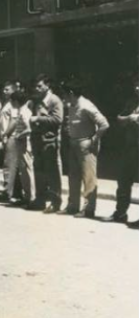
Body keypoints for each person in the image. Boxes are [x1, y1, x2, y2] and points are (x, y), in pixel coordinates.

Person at [61, 78, 109, 218]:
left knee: (89, 178)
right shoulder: (71, 105)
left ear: (71, 93)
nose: (63, 96)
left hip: (86, 146)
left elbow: (104, 124)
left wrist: (93, 140)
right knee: (73, 177)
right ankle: (72, 206)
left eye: (64, 93)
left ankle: (88, 209)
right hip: (73, 144)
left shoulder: (86, 105)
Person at [29, 74, 64, 213]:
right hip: (37, 140)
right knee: (39, 171)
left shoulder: (54, 100)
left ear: (48, 85)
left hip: (49, 141)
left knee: (52, 172)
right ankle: (40, 200)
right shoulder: (37, 100)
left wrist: (38, 119)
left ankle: (55, 202)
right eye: (35, 86)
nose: (37, 89)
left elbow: (58, 119)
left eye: (40, 86)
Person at [111, 78, 139, 227]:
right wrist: (129, 118)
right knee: (123, 181)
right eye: (136, 85)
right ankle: (120, 212)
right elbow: (119, 118)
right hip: (130, 148)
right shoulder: (131, 103)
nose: (137, 88)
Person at [1, 90, 36, 207]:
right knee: (23, 172)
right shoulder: (21, 111)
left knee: (28, 171)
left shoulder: (25, 112)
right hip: (21, 145)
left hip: (25, 145)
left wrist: (18, 135)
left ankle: (31, 197)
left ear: (16, 101)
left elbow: (29, 129)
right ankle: (27, 197)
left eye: (12, 101)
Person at [0, 81, 17, 201]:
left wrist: (5, 134)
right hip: (4, 137)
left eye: (7, 89)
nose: (4, 92)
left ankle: (8, 192)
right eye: (4, 89)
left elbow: (14, 121)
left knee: (9, 165)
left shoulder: (13, 104)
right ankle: (8, 190)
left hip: (10, 136)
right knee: (6, 164)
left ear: (13, 90)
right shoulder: (6, 103)